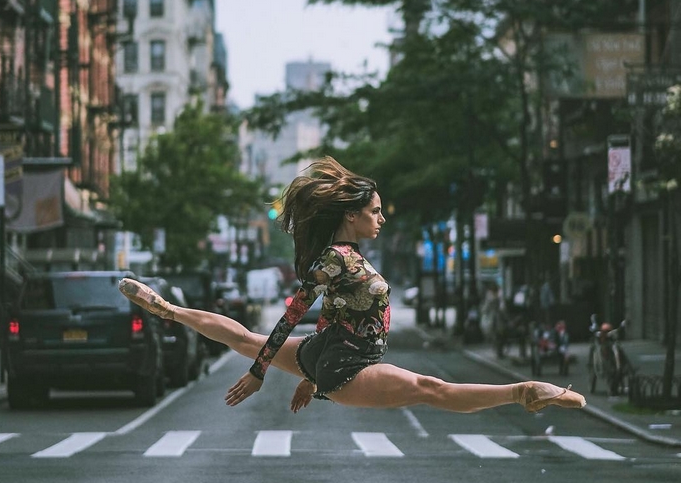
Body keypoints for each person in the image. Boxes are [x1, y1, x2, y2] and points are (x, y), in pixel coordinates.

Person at [119, 157, 586, 415]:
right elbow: (292, 313)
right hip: (348, 363)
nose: (381, 218)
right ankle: (522, 390)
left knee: (243, 337)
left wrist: (306, 373)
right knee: (430, 387)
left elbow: (332, 312)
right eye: (375, 211)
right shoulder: (337, 259)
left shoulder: (347, 259)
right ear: (351, 214)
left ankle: (168, 309)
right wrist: (262, 373)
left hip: (327, 351)